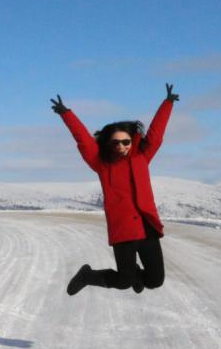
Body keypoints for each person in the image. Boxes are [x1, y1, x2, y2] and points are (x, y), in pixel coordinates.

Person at [51, 84, 179, 295]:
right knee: (123, 282)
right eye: (115, 142)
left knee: (155, 281)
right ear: (108, 143)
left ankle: (136, 274)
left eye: (126, 141)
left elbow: (156, 135)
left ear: (132, 141)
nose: (121, 146)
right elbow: (84, 141)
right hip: (123, 230)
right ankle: (87, 275)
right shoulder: (102, 164)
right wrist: (67, 114)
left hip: (147, 227)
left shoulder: (142, 157)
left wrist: (167, 104)